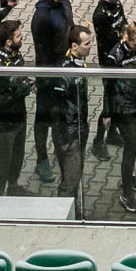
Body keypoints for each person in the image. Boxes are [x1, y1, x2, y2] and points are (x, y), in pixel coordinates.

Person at [103, 19, 136, 213]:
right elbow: (107, 87)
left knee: (133, 146)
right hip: (121, 107)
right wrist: (107, 113)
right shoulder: (114, 56)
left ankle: (129, 176)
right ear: (126, 37)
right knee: (133, 145)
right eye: (134, 44)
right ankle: (125, 192)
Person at [31, 0, 76, 181]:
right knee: (43, 119)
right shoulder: (42, 16)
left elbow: (71, 29)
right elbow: (43, 53)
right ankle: (41, 160)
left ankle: (64, 152)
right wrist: (50, 78)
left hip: (67, 68)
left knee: (63, 117)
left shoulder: (65, 3)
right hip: (49, 75)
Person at [0, 19, 33, 197]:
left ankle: (13, 186)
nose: (22, 38)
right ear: (8, 42)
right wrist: (19, 92)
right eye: (19, 36)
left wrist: (26, 84)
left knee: (17, 158)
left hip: (19, 117)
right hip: (3, 125)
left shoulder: (16, 56)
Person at [47, 24, 92, 199]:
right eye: (86, 44)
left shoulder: (79, 64)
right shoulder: (65, 72)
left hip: (80, 129)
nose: (90, 48)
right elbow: (57, 107)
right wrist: (62, 138)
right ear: (74, 46)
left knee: (75, 173)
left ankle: (74, 210)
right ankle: (65, 215)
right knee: (70, 179)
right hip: (69, 135)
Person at [91, 0, 129, 161]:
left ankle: (112, 134)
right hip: (109, 62)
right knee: (109, 102)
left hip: (122, 58)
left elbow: (124, 24)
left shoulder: (118, 5)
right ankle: (98, 142)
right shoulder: (100, 15)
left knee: (118, 99)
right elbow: (110, 40)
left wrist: (131, 32)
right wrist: (127, 42)